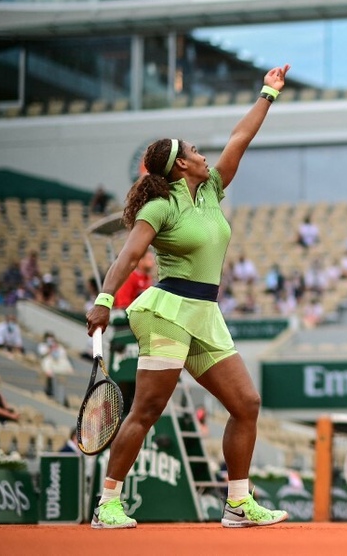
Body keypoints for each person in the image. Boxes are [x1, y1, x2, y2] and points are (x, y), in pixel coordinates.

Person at [84, 65, 291, 530]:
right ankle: (108, 504)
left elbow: (240, 139)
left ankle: (238, 503)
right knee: (149, 409)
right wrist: (104, 299)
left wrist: (267, 93)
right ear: (180, 164)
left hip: (204, 314)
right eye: (195, 151)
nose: (203, 154)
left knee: (246, 404)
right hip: (168, 313)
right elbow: (129, 254)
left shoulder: (212, 190)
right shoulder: (161, 206)